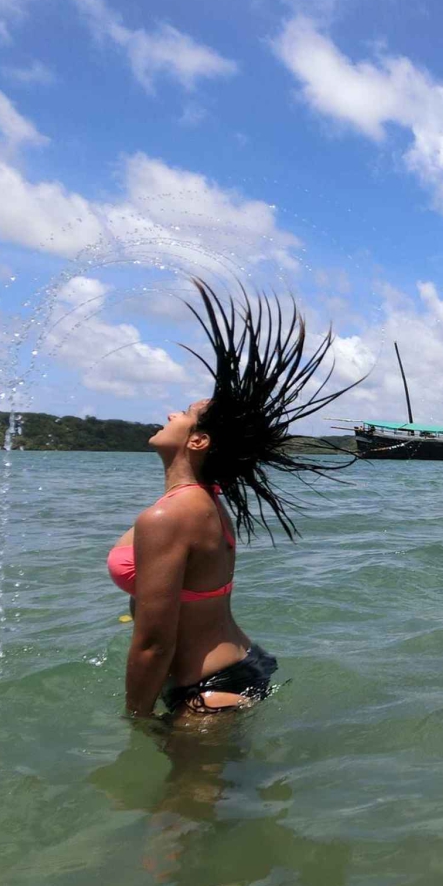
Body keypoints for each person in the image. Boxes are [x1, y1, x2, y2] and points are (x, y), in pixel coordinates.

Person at [107, 279, 359, 719]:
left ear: (199, 441)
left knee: (180, 791)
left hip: (208, 690)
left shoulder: (171, 514)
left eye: (183, 414)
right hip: (236, 667)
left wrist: (136, 721)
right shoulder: (203, 500)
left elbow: (154, 642)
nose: (170, 414)